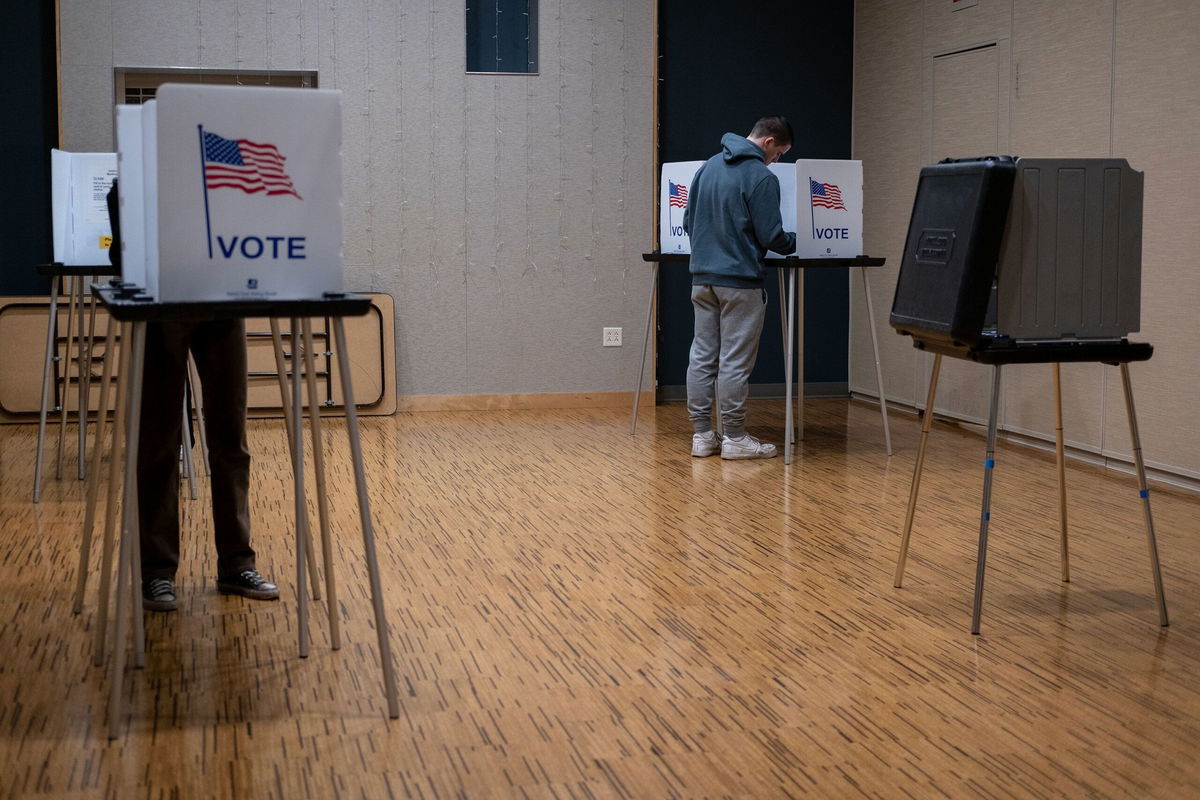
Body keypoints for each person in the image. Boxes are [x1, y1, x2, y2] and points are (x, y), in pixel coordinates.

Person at [138, 318, 279, 611]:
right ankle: (157, 572)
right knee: (159, 443)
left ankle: (237, 564)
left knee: (231, 441)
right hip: (159, 301)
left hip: (223, 297)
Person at [682, 115, 797, 459]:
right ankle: (734, 438)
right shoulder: (760, 176)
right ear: (768, 142)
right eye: (780, 154)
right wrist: (797, 240)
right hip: (741, 282)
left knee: (702, 357)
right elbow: (771, 235)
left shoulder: (708, 168)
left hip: (702, 279)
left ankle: (703, 436)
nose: (777, 161)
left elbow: (688, 221)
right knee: (734, 362)